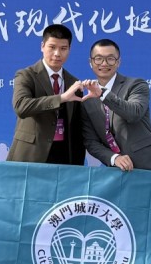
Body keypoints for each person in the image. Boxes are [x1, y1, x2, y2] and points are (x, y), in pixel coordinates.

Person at [8, 24, 94, 165]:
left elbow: (76, 128)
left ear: (69, 49)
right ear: (42, 46)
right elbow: (21, 107)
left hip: (64, 157)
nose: (57, 53)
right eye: (52, 47)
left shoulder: (74, 83)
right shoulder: (26, 75)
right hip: (31, 155)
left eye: (63, 48)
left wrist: (77, 164)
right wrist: (62, 98)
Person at [81, 39, 151, 172]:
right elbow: (91, 141)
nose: (104, 63)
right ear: (91, 62)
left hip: (149, 166)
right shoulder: (87, 100)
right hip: (117, 170)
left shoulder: (136, 85)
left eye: (110, 59)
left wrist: (103, 94)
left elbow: (134, 113)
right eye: (98, 59)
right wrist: (114, 158)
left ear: (118, 62)